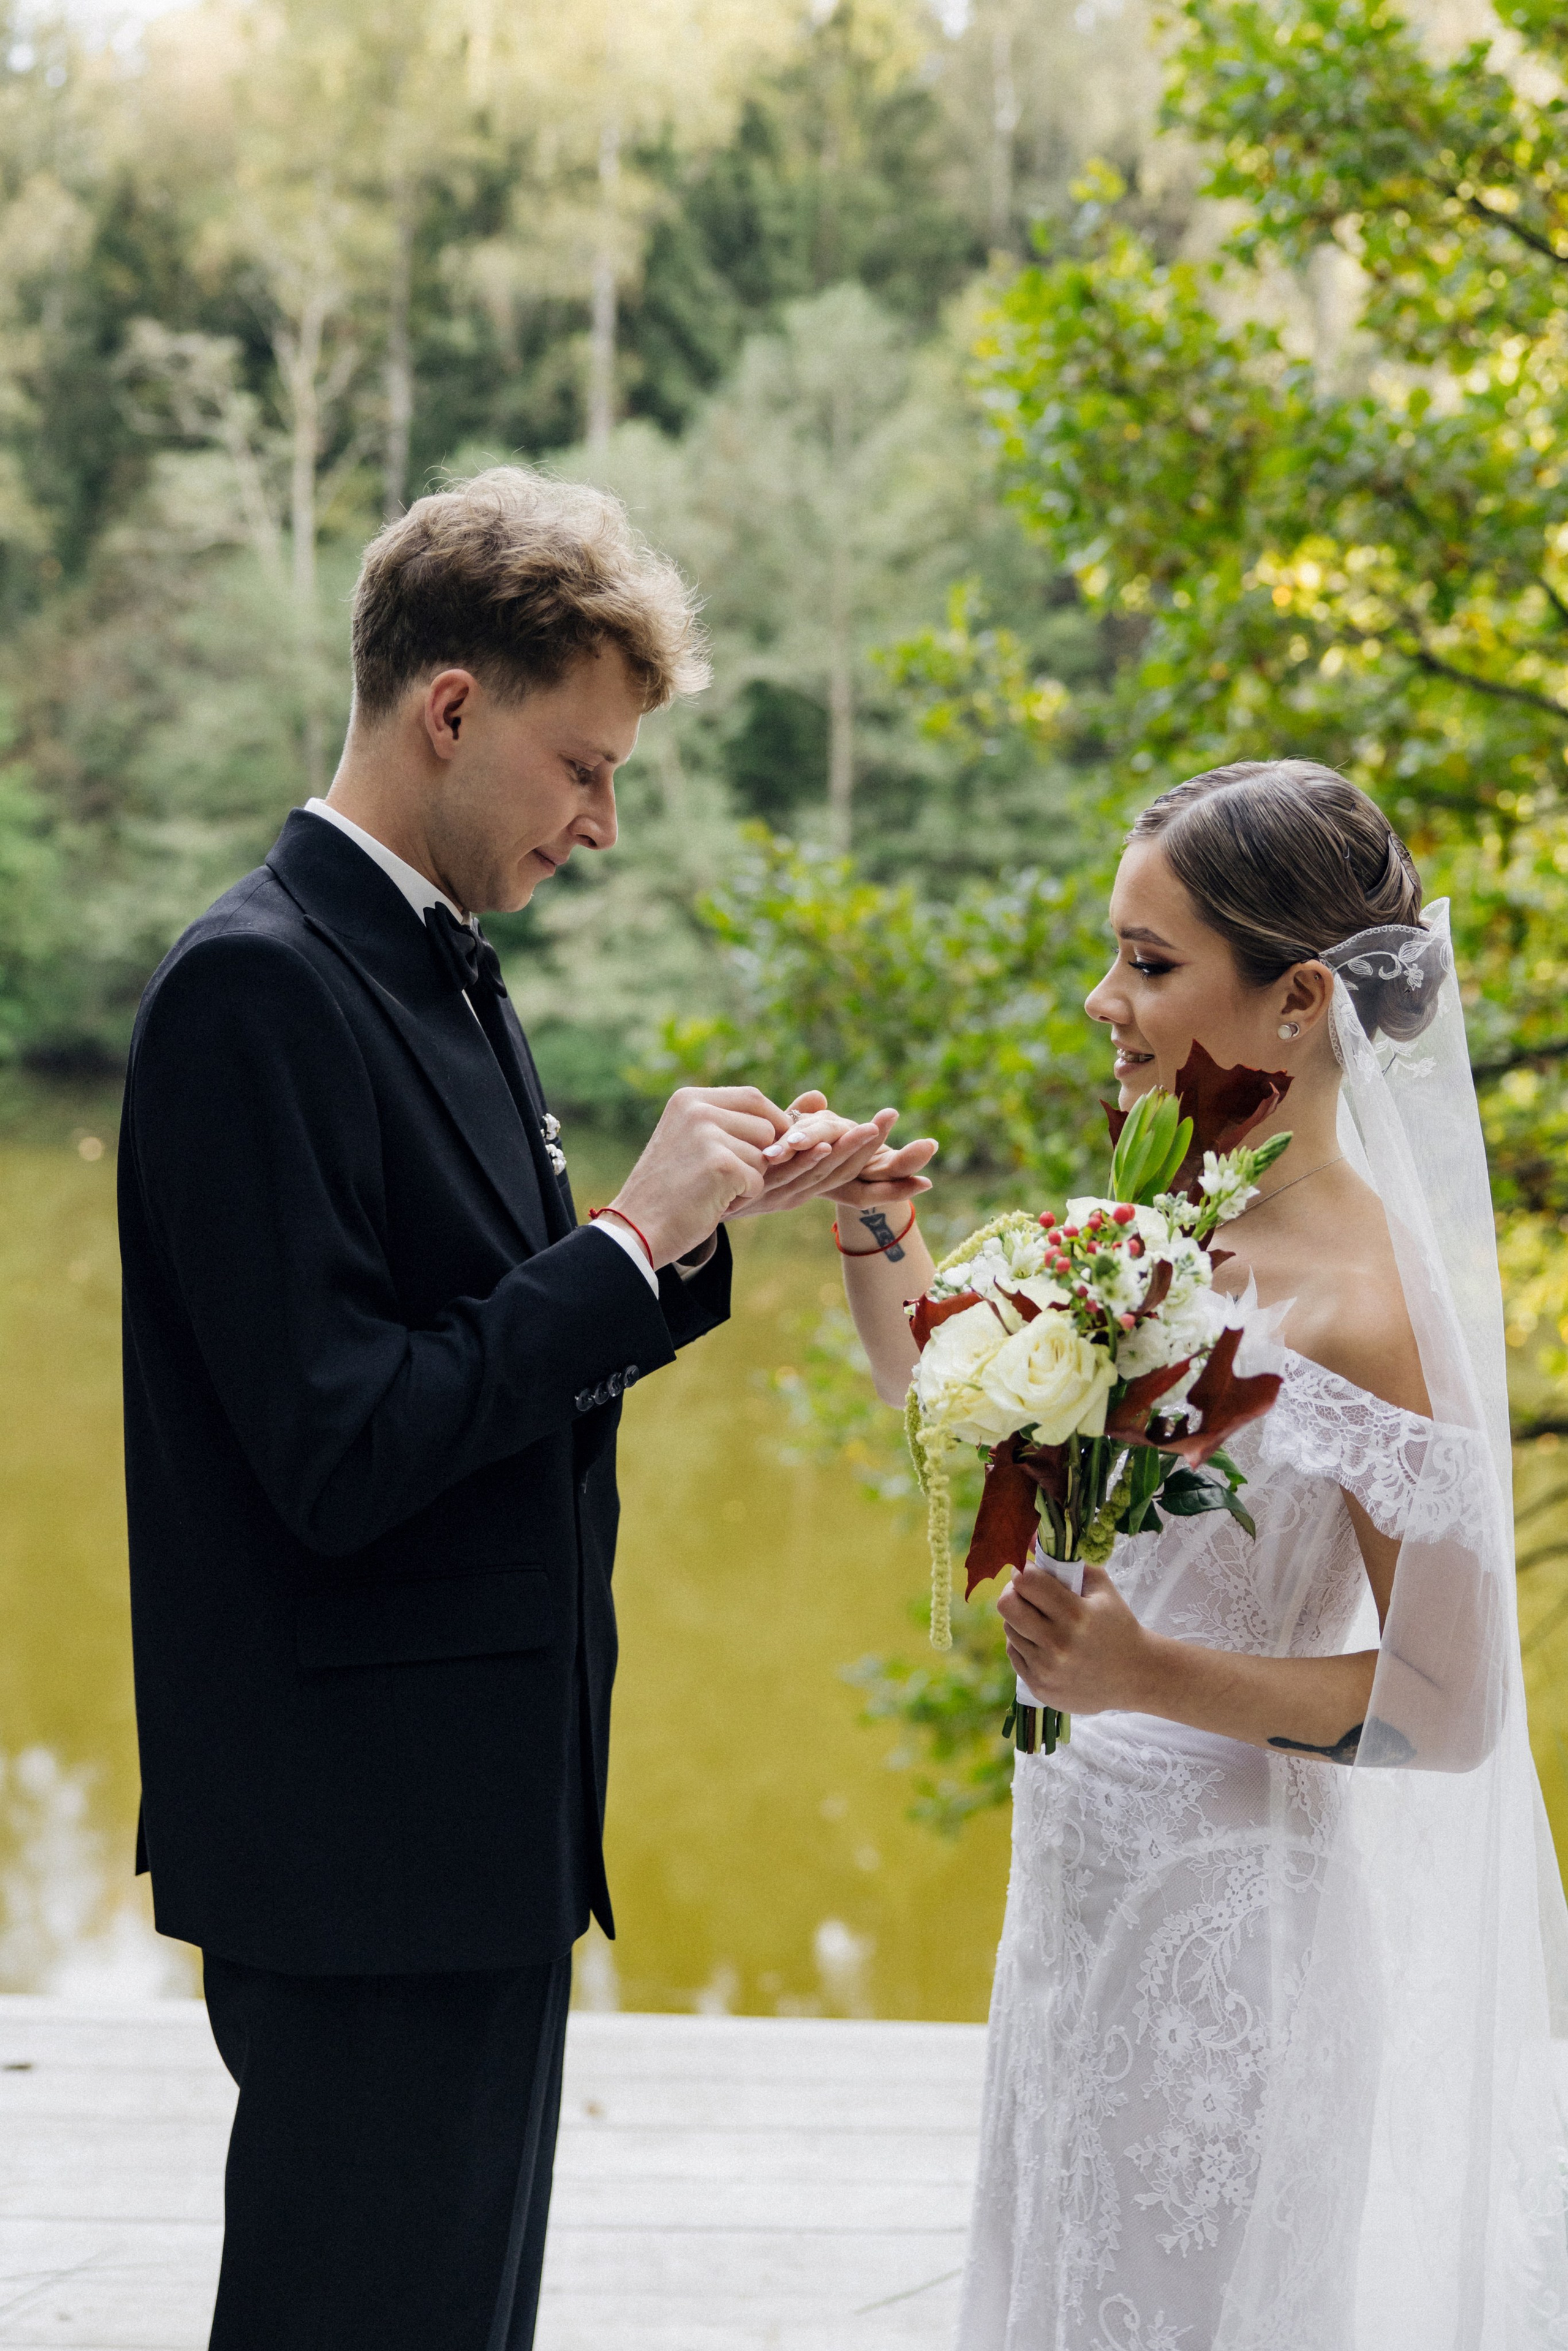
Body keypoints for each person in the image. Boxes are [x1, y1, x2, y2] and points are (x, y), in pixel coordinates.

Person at [116, 466, 935, 2351]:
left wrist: (692, 1239)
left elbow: (483, 1341)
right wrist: (626, 1238)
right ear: (450, 708)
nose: (604, 824)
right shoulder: (254, 990)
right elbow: (341, 1450)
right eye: (583, 767)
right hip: (357, 1849)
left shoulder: (440, 968)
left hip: (477, 1833)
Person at [840, 761, 1568, 2348]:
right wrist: (872, 1221)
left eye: (1149, 962)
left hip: (1230, 1957)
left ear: (1300, 1001)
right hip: (1077, 1896)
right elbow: (947, 1393)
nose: (1103, 1001)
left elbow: (1453, 1711)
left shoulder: (1371, 1314)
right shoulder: (1164, 1220)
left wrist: (1145, 1671)